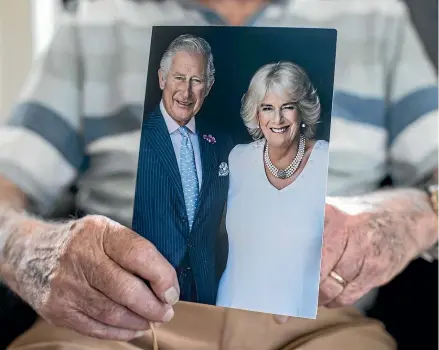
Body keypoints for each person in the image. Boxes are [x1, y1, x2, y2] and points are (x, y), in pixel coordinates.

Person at [0, 0, 437, 349]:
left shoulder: (379, 15)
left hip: (321, 324)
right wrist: (31, 251)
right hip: (118, 319)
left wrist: (411, 219)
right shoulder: (93, 17)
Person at [216, 61, 329, 319]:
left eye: (287, 107)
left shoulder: (326, 161)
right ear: (256, 114)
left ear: (302, 111)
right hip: (229, 313)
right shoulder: (238, 159)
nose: (277, 119)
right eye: (267, 108)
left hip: (298, 322)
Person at [132, 33, 233, 305]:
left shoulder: (223, 145)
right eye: (178, 77)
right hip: (145, 295)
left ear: (208, 87)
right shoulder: (134, 138)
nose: (186, 91)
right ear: (162, 78)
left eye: (196, 80)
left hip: (207, 296)